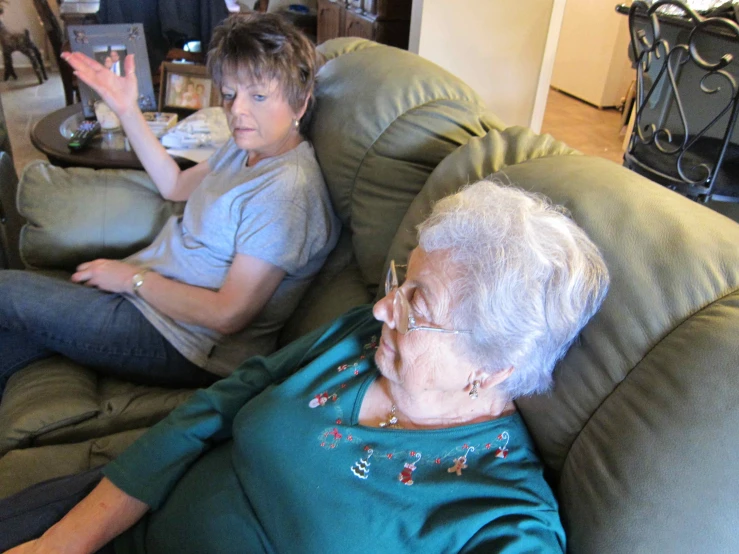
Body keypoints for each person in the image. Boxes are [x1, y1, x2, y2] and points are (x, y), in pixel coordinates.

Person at [0, 181, 610, 553]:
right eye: (402, 278)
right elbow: (214, 408)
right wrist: (66, 542)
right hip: (113, 518)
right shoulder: (363, 338)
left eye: (415, 305)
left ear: (493, 366)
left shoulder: (503, 519)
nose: (380, 307)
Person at [0, 14, 339, 396]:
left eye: (258, 95)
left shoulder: (286, 191)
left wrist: (133, 279)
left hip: (186, 344)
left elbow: (228, 314)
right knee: (14, 342)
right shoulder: (248, 146)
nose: (237, 110)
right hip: (152, 304)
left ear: (300, 104)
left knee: (5, 291)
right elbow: (174, 185)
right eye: (229, 94)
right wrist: (127, 110)